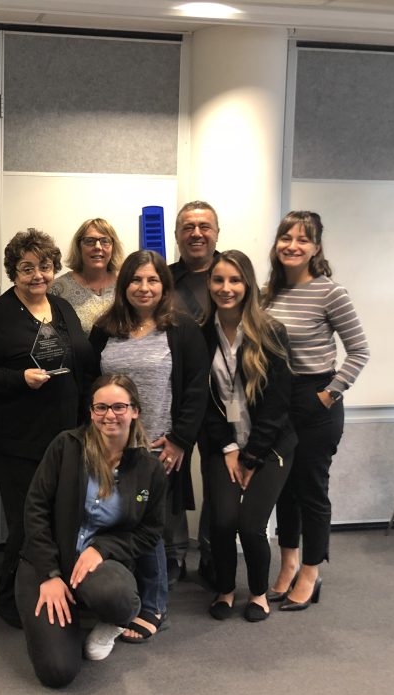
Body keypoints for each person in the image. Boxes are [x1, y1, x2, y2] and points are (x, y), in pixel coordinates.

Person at [0, 228, 94, 628]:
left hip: (66, 434)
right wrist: (19, 379)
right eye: (26, 268)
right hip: (18, 439)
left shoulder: (62, 308)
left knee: (57, 516)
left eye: (45, 266)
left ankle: (47, 588)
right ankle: (6, 597)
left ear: (55, 268)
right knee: (26, 520)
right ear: (13, 271)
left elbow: (81, 363)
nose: (38, 275)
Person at [16, 375, 166, 688]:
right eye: (101, 407)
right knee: (57, 672)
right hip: (46, 561)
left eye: (119, 407)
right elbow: (36, 510)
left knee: (118, 597)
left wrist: (103, 548)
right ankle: (64, 606)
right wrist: (49, 575)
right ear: (91, 411)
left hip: (100, 564)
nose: (110, 415)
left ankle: (111, 620)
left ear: (135, 411)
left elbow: (150, 533)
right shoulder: (66, 446)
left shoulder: (149, 468)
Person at [89, 250, 208, 641]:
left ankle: (154, 606)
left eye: (152, 280)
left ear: (164, 285)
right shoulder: (105, 329)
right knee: (113, 521)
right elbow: (90, 386)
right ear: (123, 285)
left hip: (156, 447)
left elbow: (195, 389)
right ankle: (121, 598)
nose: (144, 288)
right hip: (108, 443)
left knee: (147, 528)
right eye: (136, 280)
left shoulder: (181, 329)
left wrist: (179, 440)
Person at [262, 211, 369, 611]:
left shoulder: (330, 292)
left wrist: (329, 394)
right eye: (285, 237)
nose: (292, 245)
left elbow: (359, 351)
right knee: (282, 488)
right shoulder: (267, 292)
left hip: (316, 400)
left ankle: (311, 569)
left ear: (316, 248)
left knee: (310, 489)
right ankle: (288, 562)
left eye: (302, 240)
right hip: (278, 399)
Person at [200, 250, 296, 622]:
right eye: (219, 280)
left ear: (248, 285)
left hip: (270, 445)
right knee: (222, 522)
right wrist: (227, 449)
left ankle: (258, 593)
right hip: (223, 443)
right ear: (209, 284)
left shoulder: (270, 331)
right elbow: (202, 401)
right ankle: (225, 589)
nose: (226, 288)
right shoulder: (199, 334)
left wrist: (252, 456)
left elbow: (278, 403)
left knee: (251, 525)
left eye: (235, 280)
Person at [169, 200, 222, 587]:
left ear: (217, 233)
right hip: (176, 398)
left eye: (204, 226)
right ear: (177, 235)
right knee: (170, 478)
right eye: (188, 227)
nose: (196, 233)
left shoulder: (231, 274)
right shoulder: (162, 279)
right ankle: (172, 556)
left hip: (225, 400)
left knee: (219, 478)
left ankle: (211, 552)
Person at [49, 218, 125, 334]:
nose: (98, 247)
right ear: (79, 246)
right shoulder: (58, 289)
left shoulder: (126, 283)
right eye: (90, 241)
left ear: (113, 247)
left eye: (105, 241)